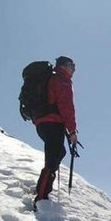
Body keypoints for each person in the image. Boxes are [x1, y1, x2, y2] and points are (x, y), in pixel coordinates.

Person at [33, 56, 78, 208]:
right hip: (53, 123)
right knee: (53, 160)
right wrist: (72, 131)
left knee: (58, 153)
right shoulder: (62, 81)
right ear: (64, 66)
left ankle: (41, 192)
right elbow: (66, 107)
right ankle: (41, 199)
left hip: (42, 122)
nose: (74, 69)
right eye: (72, 65)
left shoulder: (50, 79)